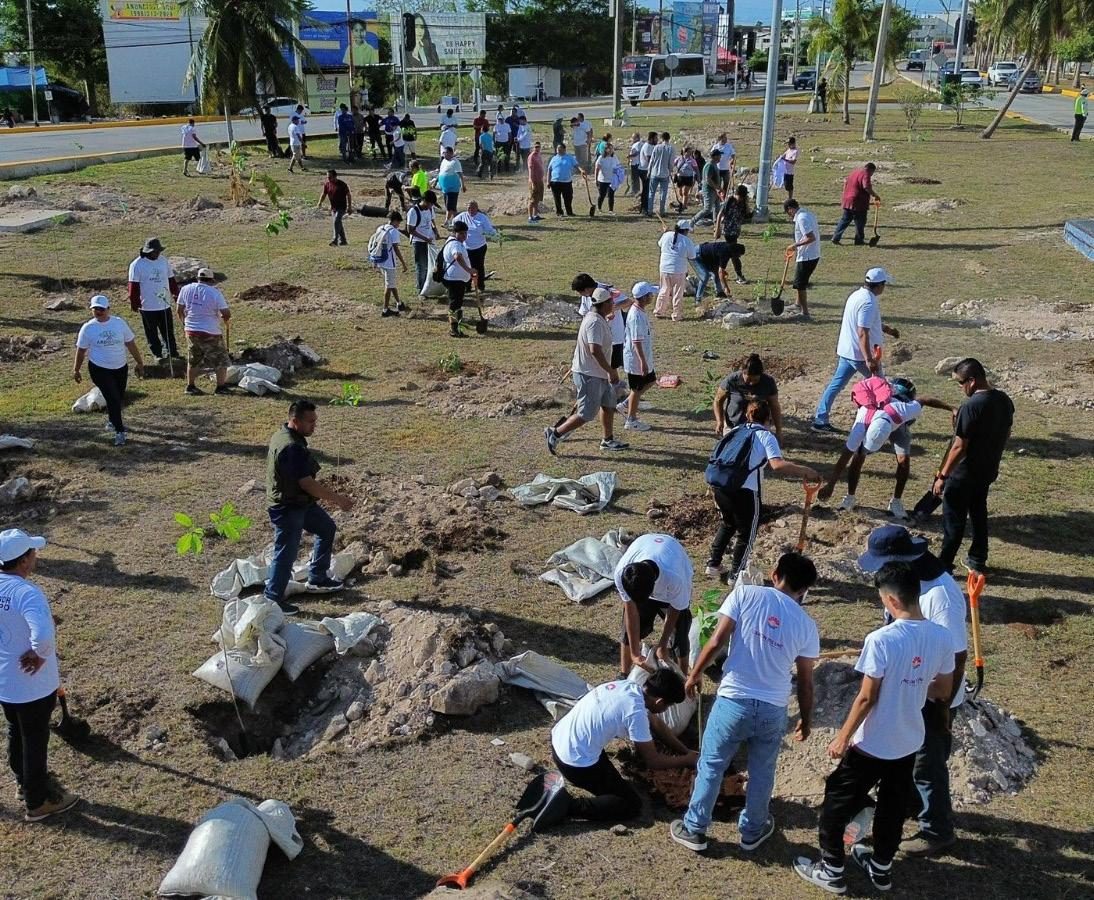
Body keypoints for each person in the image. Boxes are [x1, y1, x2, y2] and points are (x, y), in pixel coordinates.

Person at [793, 562, 954, 896]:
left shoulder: (882, 640)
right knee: (892, 806)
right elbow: (942, 690)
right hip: (908, 740)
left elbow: (867, 697)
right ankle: (881, 867)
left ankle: (832, 869)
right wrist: (913, 684)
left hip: (873, 742)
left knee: (837, 798)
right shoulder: (942, 637)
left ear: (891, 600)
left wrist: (842, 737)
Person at [671, 551, 820, 853]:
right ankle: (753, 830)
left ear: (775, 574)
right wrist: (806, 719)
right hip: (773, 709)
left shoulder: (745, 595)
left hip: (733, 701)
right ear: (805, 590)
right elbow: (805, 682)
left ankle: (695, 828)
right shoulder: (807, 625)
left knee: (712, 764)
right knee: (762, 771)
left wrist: (694, 674)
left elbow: (716, 640)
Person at [856, 526, 968, 857]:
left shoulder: (940, 597)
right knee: (908, 755)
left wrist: (941, 709)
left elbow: (957, 657)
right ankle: (911, 804)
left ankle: (937, 831)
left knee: (927, 764)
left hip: (934, 696)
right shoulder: (906, 584)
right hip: (912, 689)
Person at [0, 529, 80, 822]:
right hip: (31, 685)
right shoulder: (27, 593)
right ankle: (37, 802)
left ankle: (23, 783)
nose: (36, 557)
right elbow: (43, 636)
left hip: (5, 682)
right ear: (23, 561)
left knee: (15, 730)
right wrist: (40, 654)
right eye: (33, 553)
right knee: (34, 738)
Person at [550, 671, 697, 822]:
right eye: (668, 706)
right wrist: (687, 760)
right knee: (630, 804)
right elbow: (653, 761)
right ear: (659, 702)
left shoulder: (628, 687)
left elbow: (656, 723)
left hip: (560, 739)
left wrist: (685, 751)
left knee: (617, 785)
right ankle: (567, 806)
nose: (665, 710)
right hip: (575, 763)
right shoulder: (635, 712)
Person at [704, 400, 820, 580]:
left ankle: (713, 565)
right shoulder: (766, 436)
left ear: (747, 415)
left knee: (728, 523)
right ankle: (736, 575)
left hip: (720, 485)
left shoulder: (736, 430)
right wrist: (806, 471)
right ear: (769, 419)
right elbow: (777, 465)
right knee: (747, 533)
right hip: (746, 491)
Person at [263, 400, 354, 615]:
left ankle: (318, 578)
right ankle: (273, 598)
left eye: (315, 421)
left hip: (299, 502)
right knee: (286, 553)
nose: (314, 426)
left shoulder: (286, 435)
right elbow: (307, 483)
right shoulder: (291, 447)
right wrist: (338, 500)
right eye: (310, 422)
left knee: (326, 528)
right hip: (287, 507)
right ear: (295, 421)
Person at [818, 376, 955, 517]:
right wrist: (831, 485)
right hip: (877, 417)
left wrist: (952, 409)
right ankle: (850, 497)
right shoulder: (861, 425)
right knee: (858, 456)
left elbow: (925, 399)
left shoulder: (903, 410)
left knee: (903, 460)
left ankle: (896, 501)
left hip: (898, 421)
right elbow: (844, 457)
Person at [933, 359, 1013, 575]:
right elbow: (1007, 433)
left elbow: (959, 447)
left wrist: (942, 476)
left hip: (963, 474)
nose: (961, 387)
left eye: (961, 383)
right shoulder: (1004, 400)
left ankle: (944, 564)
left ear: (972, 381)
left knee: (954, 520)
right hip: (986, 470)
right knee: (978, 513)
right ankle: (977, 559)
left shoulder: (971, 407)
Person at [812, 268, 900, 434]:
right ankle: (885, 423)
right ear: (879, 285)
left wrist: (888, 330)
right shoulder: (868, 303)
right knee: (881, 388)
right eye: (884, 284)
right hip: (860, 356)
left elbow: (868, 322)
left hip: (847, 351)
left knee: (836, 385)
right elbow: (862, 332)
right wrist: (869, 359)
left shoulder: (857, 295)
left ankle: (820, 419)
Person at [544, 288, 628, 455]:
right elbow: (594, 350)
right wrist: (610, 371)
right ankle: (555, 433)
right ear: (604, 304)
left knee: (608, 405)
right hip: (590, 374)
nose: (613, 304)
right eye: (611, 301)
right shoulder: (594, 323)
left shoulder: (598, 318)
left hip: (599, 372)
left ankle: (608, 440)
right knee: (586, 414)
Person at [615, 533, 694, 676]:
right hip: (647, 545)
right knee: (627, 631)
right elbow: (631, 612)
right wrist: (634, 653)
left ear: (654, 589)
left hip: (673, 558)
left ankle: (683, 679)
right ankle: (623, 675)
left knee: (680, 635)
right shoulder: (622, 574)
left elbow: (675, 610)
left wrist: (663, 645)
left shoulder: (675, 578)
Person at [73, 295, 144, 446]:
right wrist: (76, 370)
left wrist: (139, 362)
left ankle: (112, 421)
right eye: (95, 309)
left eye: (101, 309)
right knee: (113, 398)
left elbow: (130, 343)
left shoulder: (119, 323)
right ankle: (120, 431)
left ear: (108, 309)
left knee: (118, 396)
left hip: (120, 367)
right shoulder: (88, 328)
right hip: (99, 369)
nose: (98, 312)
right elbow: (81, 351)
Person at [176, 268, 231, 397]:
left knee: (193, 359)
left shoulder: (185, 289)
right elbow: (226, 313)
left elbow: (179, 310)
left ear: (198, 279)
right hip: (210, 332)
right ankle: (220, 388)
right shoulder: (215, 293)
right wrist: (224, 318)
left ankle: (190, 387)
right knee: (220, 360)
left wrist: (185, 323)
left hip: (191, 331)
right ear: (212, 280)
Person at [127, 237, 180, 361]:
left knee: (168, 330)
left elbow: (171, 280)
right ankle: (157, 354)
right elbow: (133, 285)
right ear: (148, 251)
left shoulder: (163, 261)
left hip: (164, 303)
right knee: (151, 332)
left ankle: (172, 352)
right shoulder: (137, 264)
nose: (157, 254)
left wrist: (176, 295)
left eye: (158, 251)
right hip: (147, 305)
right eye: (154, 252)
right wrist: (135, 302)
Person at [713, 353, 782, 442]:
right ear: (743, 372)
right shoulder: (732, 380)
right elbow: (718, 400)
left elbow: (774, 406)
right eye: (748, 380)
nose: (751, 383)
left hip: (760, 427)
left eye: (755, 380)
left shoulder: (768, 382)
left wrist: (779, 431)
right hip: (733, 425)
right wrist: (720, 421)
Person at [618, 281, 658, 432]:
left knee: (651, 380)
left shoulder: (639, 311)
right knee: (636, 388)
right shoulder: (635, 316)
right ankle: (631, 420)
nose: (652, 296)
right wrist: (642, 362)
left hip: (642, 357)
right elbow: (636, 341)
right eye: (650, 294)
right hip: (636, 359)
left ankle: (626, 404)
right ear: (645, 297)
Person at [655, 219, 697, 321]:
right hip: (678, 270)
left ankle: (659, 311)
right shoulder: (687, 241)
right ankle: (676, 314)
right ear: (686, 230)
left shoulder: (667, 235)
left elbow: (660, 244)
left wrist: (665, 233)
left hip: (664, 268)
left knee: (664, 290)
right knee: (677, 293)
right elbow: (692, 256)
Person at [784, 198, 820, 316]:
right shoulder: (808, 214)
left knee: (800, 284)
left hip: (807, 256)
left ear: (790, 209)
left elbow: (811, 237)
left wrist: (795, 245)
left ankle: (805, 313)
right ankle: (797, 304)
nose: (790, 216)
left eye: (788, 213)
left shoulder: (801, 218)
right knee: (800, 282)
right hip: (811, 254)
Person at [440, 220, 475, 337]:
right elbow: (458, 256)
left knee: (457, 304)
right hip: (455, 279)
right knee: (454, 305)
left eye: (465, 233)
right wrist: (468, 270)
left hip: (456, 279)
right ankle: (454, 329)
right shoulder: (455, 244)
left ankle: (456, 326)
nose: (464, 236)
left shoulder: (454, 242)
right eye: (461, 233)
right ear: (455, 232)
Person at [371, 210, 409, 318]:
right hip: (389, 263)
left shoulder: (380, 228)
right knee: (388, 285)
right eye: (399, 222)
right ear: (395, 221)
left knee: (391, 283)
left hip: (381, 260)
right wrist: (403, 263)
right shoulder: (394, 231)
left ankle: (399, 303)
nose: (398, 225)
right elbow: (396, 249)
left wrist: (374, 261)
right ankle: (385, 310)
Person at [453, 200, 497, 292]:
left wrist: (496, 236)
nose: (470, 210)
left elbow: (489, 229)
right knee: (467, 267)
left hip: (479, 247)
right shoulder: (462, 216)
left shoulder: (482, 218)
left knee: (479, 267)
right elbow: (454, 223)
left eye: (473, 208)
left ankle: (480, 286)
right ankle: (467, 287)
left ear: (477, 208)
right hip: (466, 248)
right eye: (469, 208)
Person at [832, 163, 880, 245]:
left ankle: (835, 238)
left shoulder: (855, 172)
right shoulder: (866, 174)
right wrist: (875, 195)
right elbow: (866, 186)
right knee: (860, 222)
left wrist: (844, 195)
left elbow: (846, 183)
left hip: (848, 200)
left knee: (845, 220)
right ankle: (859, 240)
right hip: (858, 202)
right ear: (871, 170)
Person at [407, 190, 439, 293]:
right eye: (429, 204)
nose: (430, 206)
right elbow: (410, 230)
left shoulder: (430, 209)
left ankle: (427, 286)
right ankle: (420, 289)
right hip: (419, 242)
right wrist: (425, 239)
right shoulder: (413, 211)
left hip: (429, 240)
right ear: (424, 200)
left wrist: (435, 231)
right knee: (421, 265)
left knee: (430, 265)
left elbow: (432, 221)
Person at [714, 193, 748, 285]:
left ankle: (720, 272)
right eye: (740, 196)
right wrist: (717, 229)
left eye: (742, 197)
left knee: (733, 254)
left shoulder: (742, 203)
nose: (740, 199)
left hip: (736, 232)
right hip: (728, 232)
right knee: (733, 254)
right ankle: (739, 275)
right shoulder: (729, 201)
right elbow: (720, 215)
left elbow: (744, 215)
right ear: (736, 194)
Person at [692, 240, 734, 305]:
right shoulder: (725, 254)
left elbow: (720, 270)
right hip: (696, 254)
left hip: (706, 257)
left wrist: (722, 272)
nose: (739, 257)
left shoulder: (727, 249)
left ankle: (719, 293)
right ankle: (698, 299)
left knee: (715, 272)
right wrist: (726, 287)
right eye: (739, 255)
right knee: (705, 276)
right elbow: (721, 272)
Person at [317, 169, 352, 247]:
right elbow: (324, 194)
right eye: (327, 177)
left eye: (330, 177)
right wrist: (320, 202)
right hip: (333, 208)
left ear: (335, 176)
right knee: (338, 223)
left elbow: (348, 195)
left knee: (336, 221)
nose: (328, 179)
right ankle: (343, 241)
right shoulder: (327, 184)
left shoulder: (342, 184)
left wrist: (349, 207)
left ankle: (335, 240)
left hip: (342, 207)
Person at [547, 143, 582, 217]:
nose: (558, 150)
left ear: (564, 149)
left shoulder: (569, 157)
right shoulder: (554, 158)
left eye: (560, 148)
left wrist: (581, 170)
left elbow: (576, 165)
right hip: (555, 182)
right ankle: (559, 212)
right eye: (557, 148)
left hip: (567, 182)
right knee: (557, 198)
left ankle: (569, 212)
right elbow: (549, 170)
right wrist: (548, 181)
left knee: (568, 198)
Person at [691, 148, 722, 227]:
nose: (720, 157)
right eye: (719, 155)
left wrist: (719, 188)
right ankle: (692, 221)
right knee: (707, 209)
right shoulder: (710, 165)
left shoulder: (714, 165)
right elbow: (708, 179)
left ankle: (716, 226)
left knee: (717, 208)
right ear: (715, 156)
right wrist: (717, 188)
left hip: (714, 190)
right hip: (709, 191)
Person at [647, 131, 674, 217]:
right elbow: (671, 163)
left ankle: (649, 211)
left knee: (651, 192)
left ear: (662, 138)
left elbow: (652, 160)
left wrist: (649, 171)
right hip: (664, 173)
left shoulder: (657, 147)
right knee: (663, 193)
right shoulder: (671, 148)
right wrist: (671, 171)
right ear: (669, 138)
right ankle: (662, 211)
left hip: (654, 172)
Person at [437, 146, 465, 227]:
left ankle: (447, 222)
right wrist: (436, 182)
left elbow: (460, 174)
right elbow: (441, 172)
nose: (444, 154)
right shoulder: (444, 161)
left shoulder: (455, 162)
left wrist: (463, 185)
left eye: (446, 153)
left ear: (451, 153)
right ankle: (457, 222)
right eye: (444, 153)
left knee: (449, 206)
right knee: (451, 207)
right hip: (445, 188)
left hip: (453, 188)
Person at [594, 144, 619, 213]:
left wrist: (618, 177)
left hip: (612, 180)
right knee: (602, 195)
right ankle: (599, 208)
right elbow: (597, 169)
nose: (611, 150)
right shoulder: (601, 157)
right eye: (609, 148)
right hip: (602, 180)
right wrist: (596, 179)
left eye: (612, 148)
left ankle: (611, 210)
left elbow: (618, 167)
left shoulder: (614, 157)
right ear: (605, 149)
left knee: (611, 195)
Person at [637, 131, 656, 215]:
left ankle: (644, 208)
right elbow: (649, 159)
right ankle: (644, 208)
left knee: (646, 190)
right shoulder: (648, 146)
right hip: (644, 171)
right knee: (646, 190)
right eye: (656, 138)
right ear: (651, 139)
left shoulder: (650, 146)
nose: (657, 140)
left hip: (646, 170)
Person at [527, 140, 545, 222]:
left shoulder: (538, 155)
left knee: (537, 198)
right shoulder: (531, 156)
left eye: (538, 147)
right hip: (534, 180)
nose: (537, 148)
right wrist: (532, 181)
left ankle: (535, 215)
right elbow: (531, 169)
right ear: (533, 147)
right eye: (536, 147)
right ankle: (530, 217)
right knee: (532, 199)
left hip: (539, 179)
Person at [626, 131, 642, 196]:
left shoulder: (638, 144)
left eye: (633, 137)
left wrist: (630, 156)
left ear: (637, 138)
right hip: (634, 162)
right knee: (634, 178)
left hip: (635, 163)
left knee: (634, 178)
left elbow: (637, 152)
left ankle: (634, 190)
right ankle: (636, 190)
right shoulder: (636, 144)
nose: (632, 139)